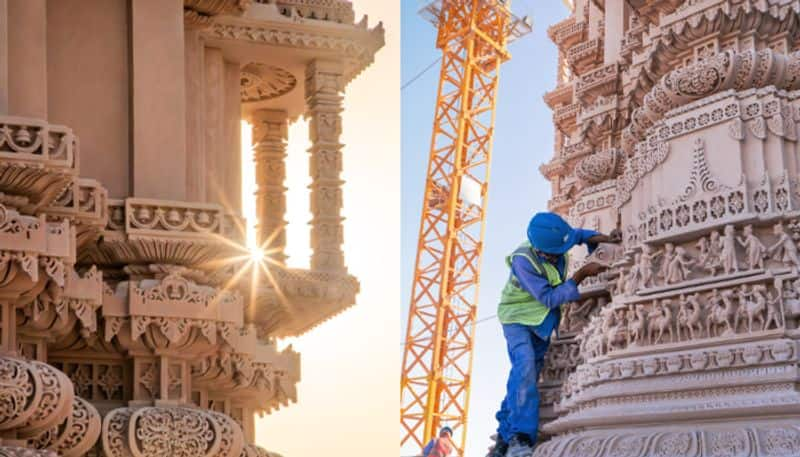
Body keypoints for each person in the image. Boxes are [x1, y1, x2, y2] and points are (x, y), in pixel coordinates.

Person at [489, 212, 620, 457]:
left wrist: (606, 238)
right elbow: (548, 297)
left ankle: (503, 435)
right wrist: (581, 275)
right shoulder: (524, 262)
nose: (559, 254)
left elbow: (578, 236)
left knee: (524, 373)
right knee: (525, 366)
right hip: (517, 318)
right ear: (542, 251)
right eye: (555, 252)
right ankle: (520, 438)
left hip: (541, 321)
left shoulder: (556, 240)